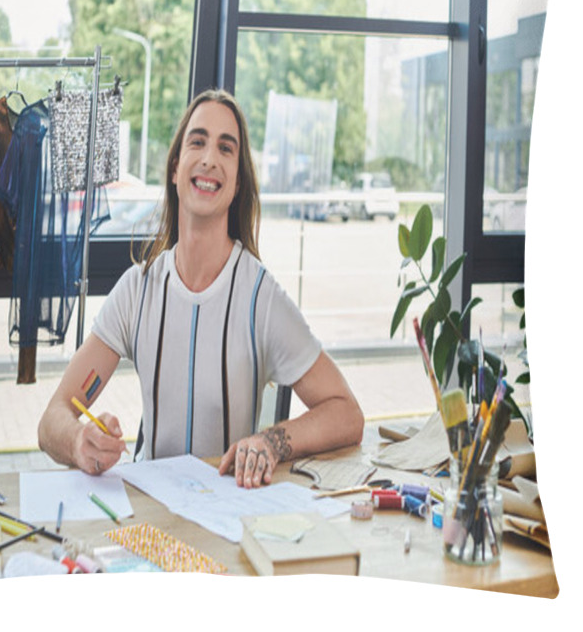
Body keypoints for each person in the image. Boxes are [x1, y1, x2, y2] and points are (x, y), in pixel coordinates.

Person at [38, 88, 363, 488]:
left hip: (228, 517)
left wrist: (272, 441)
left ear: (238, 182)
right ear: (175, 169)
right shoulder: (136, 291)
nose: (210, 158)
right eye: (198, 142)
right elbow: (54, 415)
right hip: (150, 514)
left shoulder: (261, 299)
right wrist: (77, 441)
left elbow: (346, 412)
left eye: (226, 148)